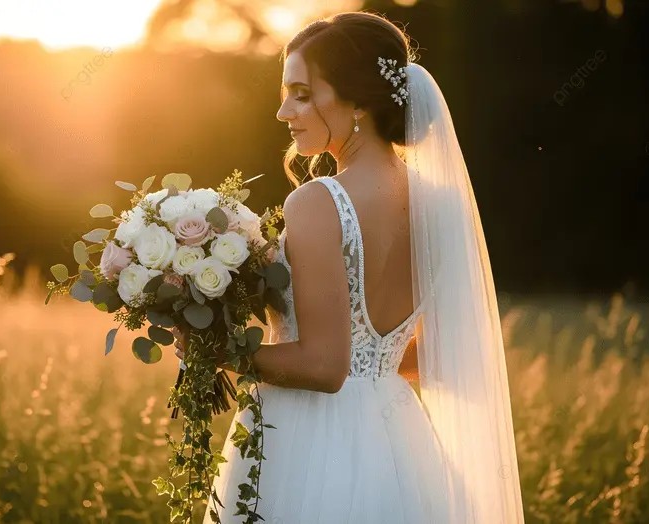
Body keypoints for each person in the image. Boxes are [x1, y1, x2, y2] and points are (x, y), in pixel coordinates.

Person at [174, 11, 525, 523]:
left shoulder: (318, 201)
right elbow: (422, 355)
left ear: (359, 100)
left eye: (301, 93)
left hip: (308, 440)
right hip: (397, 440)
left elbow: (325, 366)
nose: (283, 112)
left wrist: (216, 351)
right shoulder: (438, 204)